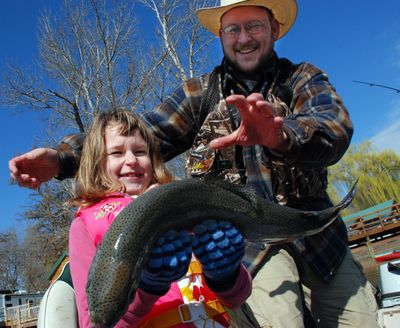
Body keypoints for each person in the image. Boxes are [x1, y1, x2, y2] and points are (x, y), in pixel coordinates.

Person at [9, 1, 379, 327]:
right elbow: (138, 136)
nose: (244, 38)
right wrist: (63, 158)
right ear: (221, 34)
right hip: (247, 247)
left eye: (254, 26)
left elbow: (335, 128)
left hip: (318, 234)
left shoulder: (303, 79)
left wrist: (278, 137)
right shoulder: (199, 94)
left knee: (360, 318)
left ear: (275, 29)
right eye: (233, 28)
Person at [67, 109, 252, 327]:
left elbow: (239, 297)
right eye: (116, 153)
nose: (131, 161)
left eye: (140, 151)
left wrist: (226, 274)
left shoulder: (186, 201)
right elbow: (96, 322)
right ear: (97, 162)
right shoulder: (84, 225)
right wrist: (148, 285)